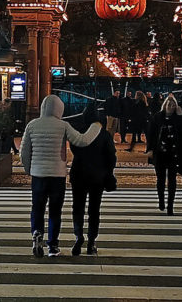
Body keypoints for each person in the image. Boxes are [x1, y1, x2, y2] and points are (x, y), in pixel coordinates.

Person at [21, 94, 102, 258]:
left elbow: (24, 152)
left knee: (37, 207)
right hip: (57, 175)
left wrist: (30, 169)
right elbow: (82, 140)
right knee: (55, 211)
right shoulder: (63, 125)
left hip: (38, 175)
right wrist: (96, 126)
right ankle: (53, 245)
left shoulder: (32, 125)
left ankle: (37, 232)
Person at [68, 102, 116, 256]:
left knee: (78, 207)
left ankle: (78, 235)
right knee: (94, 209)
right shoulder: (104, 134)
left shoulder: (78, 131)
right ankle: (91, 241)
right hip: (97, 175)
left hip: (79, 173)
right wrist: (108, 171)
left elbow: (74, 148)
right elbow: (111, 156)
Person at [147, 94, 182, 215]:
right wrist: (150, 149)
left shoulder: (177, 118)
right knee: (161, 179)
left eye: (173, 105)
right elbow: (151, 134)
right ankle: (161, 200)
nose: (171, 106)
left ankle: (170, 205)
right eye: (169, 104)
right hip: (160, 151)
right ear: (165, 105)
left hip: (174, 152)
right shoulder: (157, 117)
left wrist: (180, 116)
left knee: (172, 179)